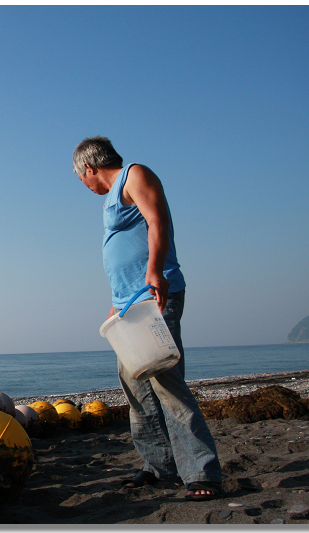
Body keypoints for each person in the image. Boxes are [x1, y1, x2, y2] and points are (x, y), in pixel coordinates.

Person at [72, 136, 223, 501]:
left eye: (80, 177)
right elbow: (124, 253)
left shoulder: (134, 175)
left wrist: (155, 270)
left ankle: (202, 473)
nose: (82, 183)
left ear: (89, 168)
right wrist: (114, 305)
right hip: (128, 305)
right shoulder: (111, 198)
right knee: (136, 385)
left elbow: (158, 220)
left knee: (166, 382)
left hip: (153, 296)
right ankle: (158, 466)